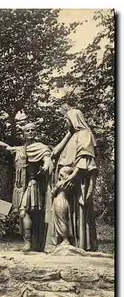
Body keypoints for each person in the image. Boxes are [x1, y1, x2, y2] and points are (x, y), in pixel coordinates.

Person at [0, 122, 53, 252]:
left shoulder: (41, 147)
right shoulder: (21, 149)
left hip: (33, 185)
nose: (30, 132)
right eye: (27, 131)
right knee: (24, 213)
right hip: (21, 186)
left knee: (25, 211)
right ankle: (30, 242)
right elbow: (7, 148)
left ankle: (30, 243)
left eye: (33, 130)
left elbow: (47, 158)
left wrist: (45, 167)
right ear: (23, 134)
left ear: (36, 132)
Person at [45, 108, 98, 252]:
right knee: (58, 201)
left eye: (67, 119)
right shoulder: (72, 136)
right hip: (65, 176)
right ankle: (65, 239)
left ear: (74, 120)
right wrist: (69, 133)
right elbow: (55, 152)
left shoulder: (85, 134)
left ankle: (66, 238)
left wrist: (70, 177)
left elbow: (85, 159)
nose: (65, 122)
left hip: (74, 177)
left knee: (59, 200)